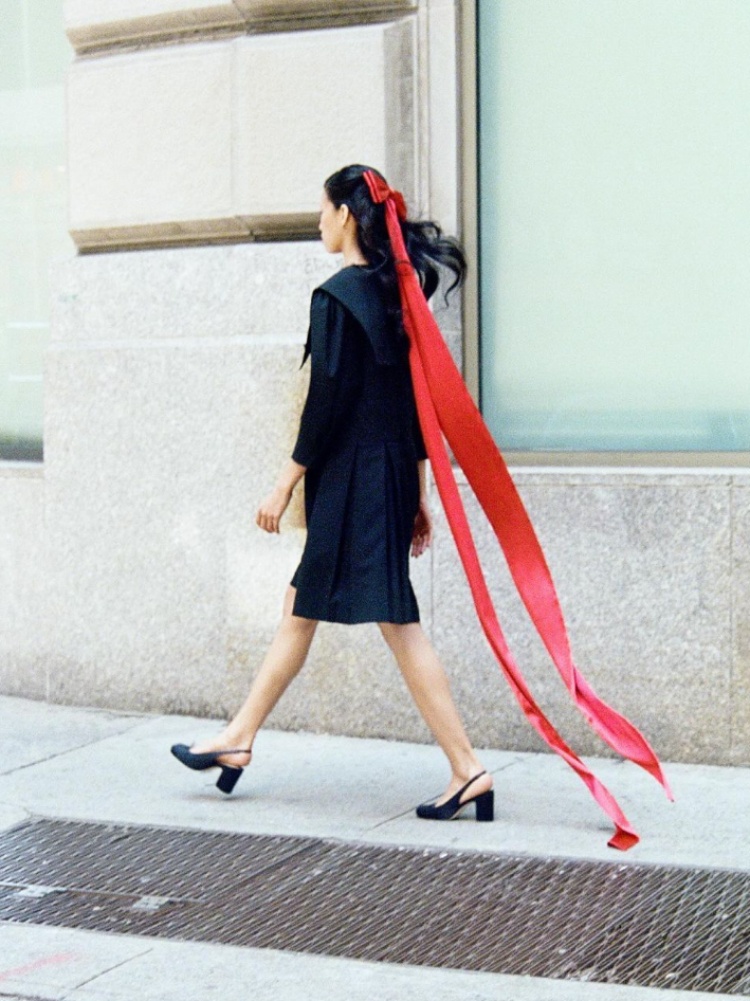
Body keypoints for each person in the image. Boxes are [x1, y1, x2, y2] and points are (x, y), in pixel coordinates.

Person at [171, 164, 494, 822]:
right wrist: (418, 492)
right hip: (387, 472)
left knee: (397, 623)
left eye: (322, 210)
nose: (318, 221)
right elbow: (414, 405)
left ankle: (468, 768)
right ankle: (238, 738)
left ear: (347, 214)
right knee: (303, 604)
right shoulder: (397, 296)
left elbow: (326, 402)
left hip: (354, 476)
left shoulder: (338, 295)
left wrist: (285, 481)